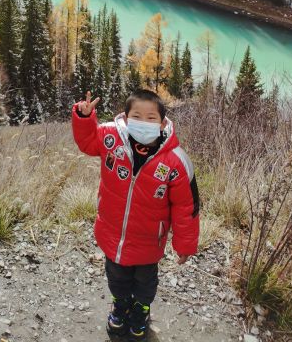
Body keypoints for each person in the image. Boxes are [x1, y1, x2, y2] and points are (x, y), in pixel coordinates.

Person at [72, 89, 200, 338]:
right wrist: (84, 117)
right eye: (137, 116)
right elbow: (87, 142)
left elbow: (186, 207)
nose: (143, 123)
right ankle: (120, 305)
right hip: (112, 234)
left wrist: (184, 244)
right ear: (126, 117)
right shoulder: (111, 137)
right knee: (116, 277)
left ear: (162, 123)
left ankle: (141, 309)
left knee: (145, 282)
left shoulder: (175, 161)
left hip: (149, 242)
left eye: (150, 118)